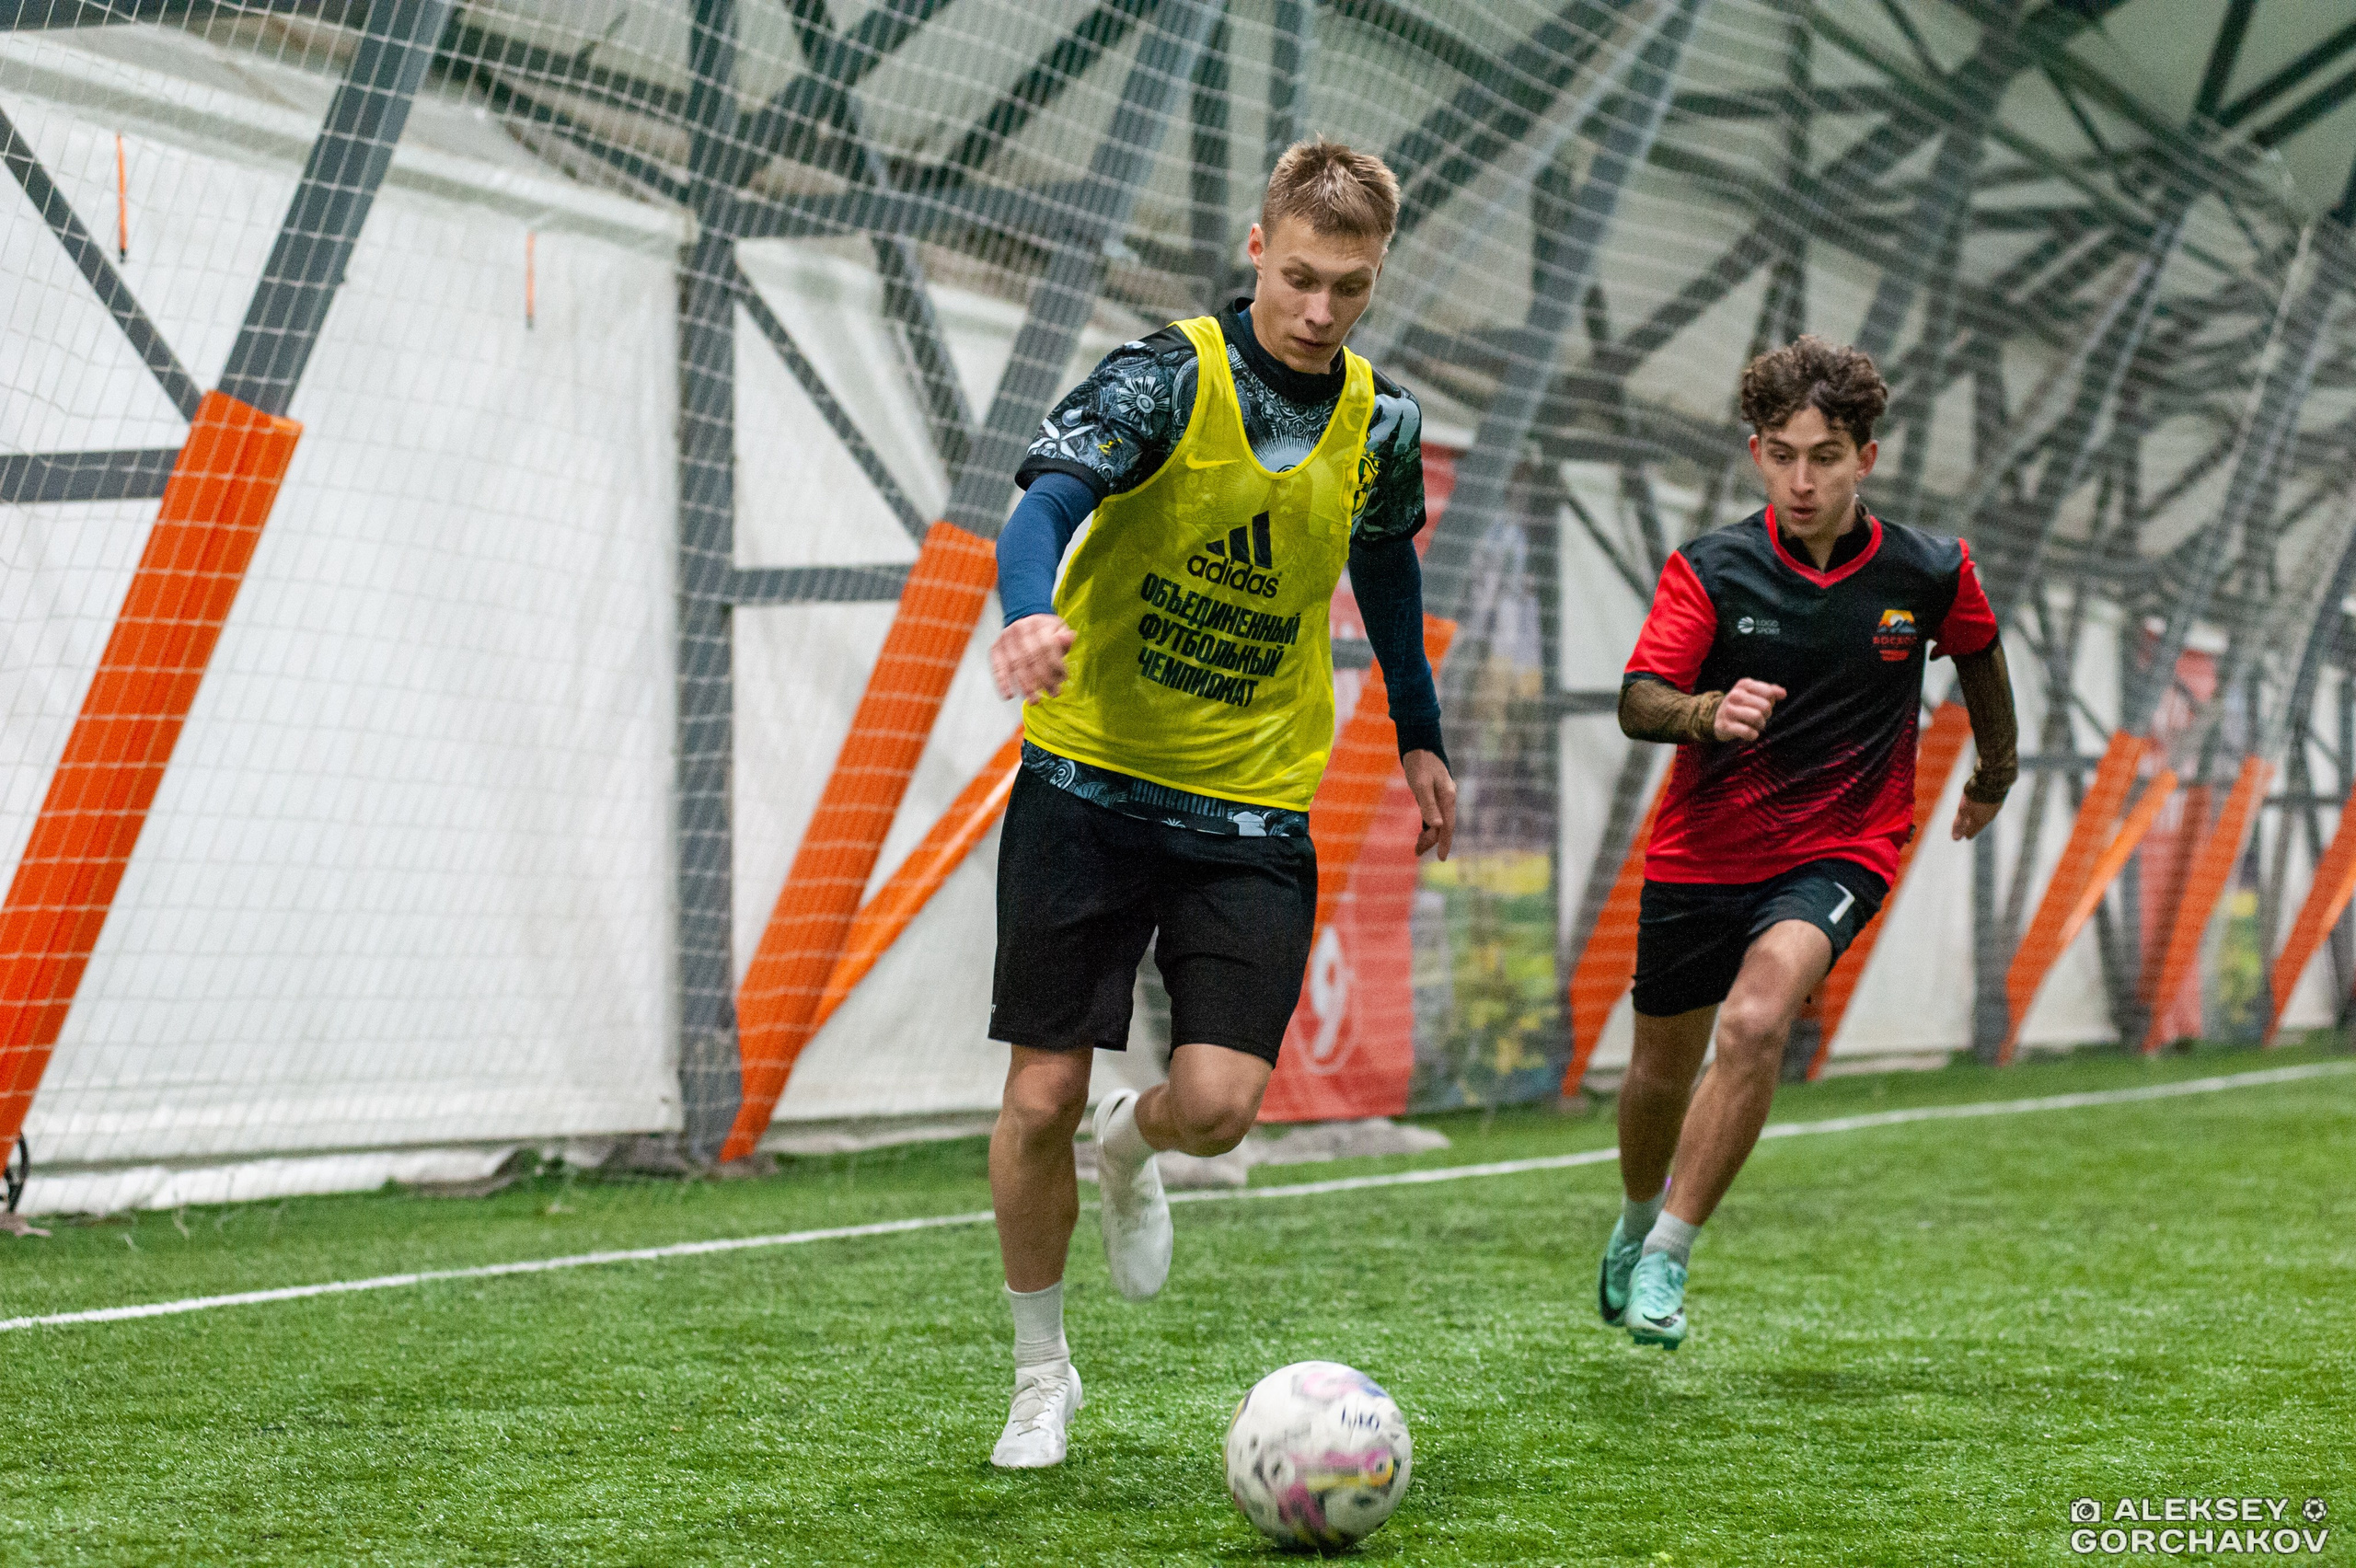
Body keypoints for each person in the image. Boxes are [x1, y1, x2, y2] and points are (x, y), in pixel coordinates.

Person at [980, 139, 1458, 1467]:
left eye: (1349, 288)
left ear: (1377, 277)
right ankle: (1040, 1377)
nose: (1319, 310)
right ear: (1258, 248)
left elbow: (1388, 577)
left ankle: (1130, 1149)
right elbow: (1046, 503)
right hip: (1087, 780)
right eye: (1299, 277)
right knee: (1039, 1094)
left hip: (1249, 804)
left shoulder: (1383, 422)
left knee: (1220, 1104)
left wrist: (1419, 735)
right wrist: (1028, 612)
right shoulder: (1165, 376)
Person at [1599, 335, 2018, 1349]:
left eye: (1825, 457)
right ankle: (1635, 1218)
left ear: (1864, 457)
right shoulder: (1711, 568)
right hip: (1701, 854)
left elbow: (1979, 656)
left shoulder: (1930, 569)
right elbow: (1638, 699)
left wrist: (1995, 773)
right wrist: (1706, 713)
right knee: (1657, 1075)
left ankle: (1669, 1256)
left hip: (1844, 845)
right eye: (1782, 455)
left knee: (1754, 1023)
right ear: (1756, 453)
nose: (1802, 480)